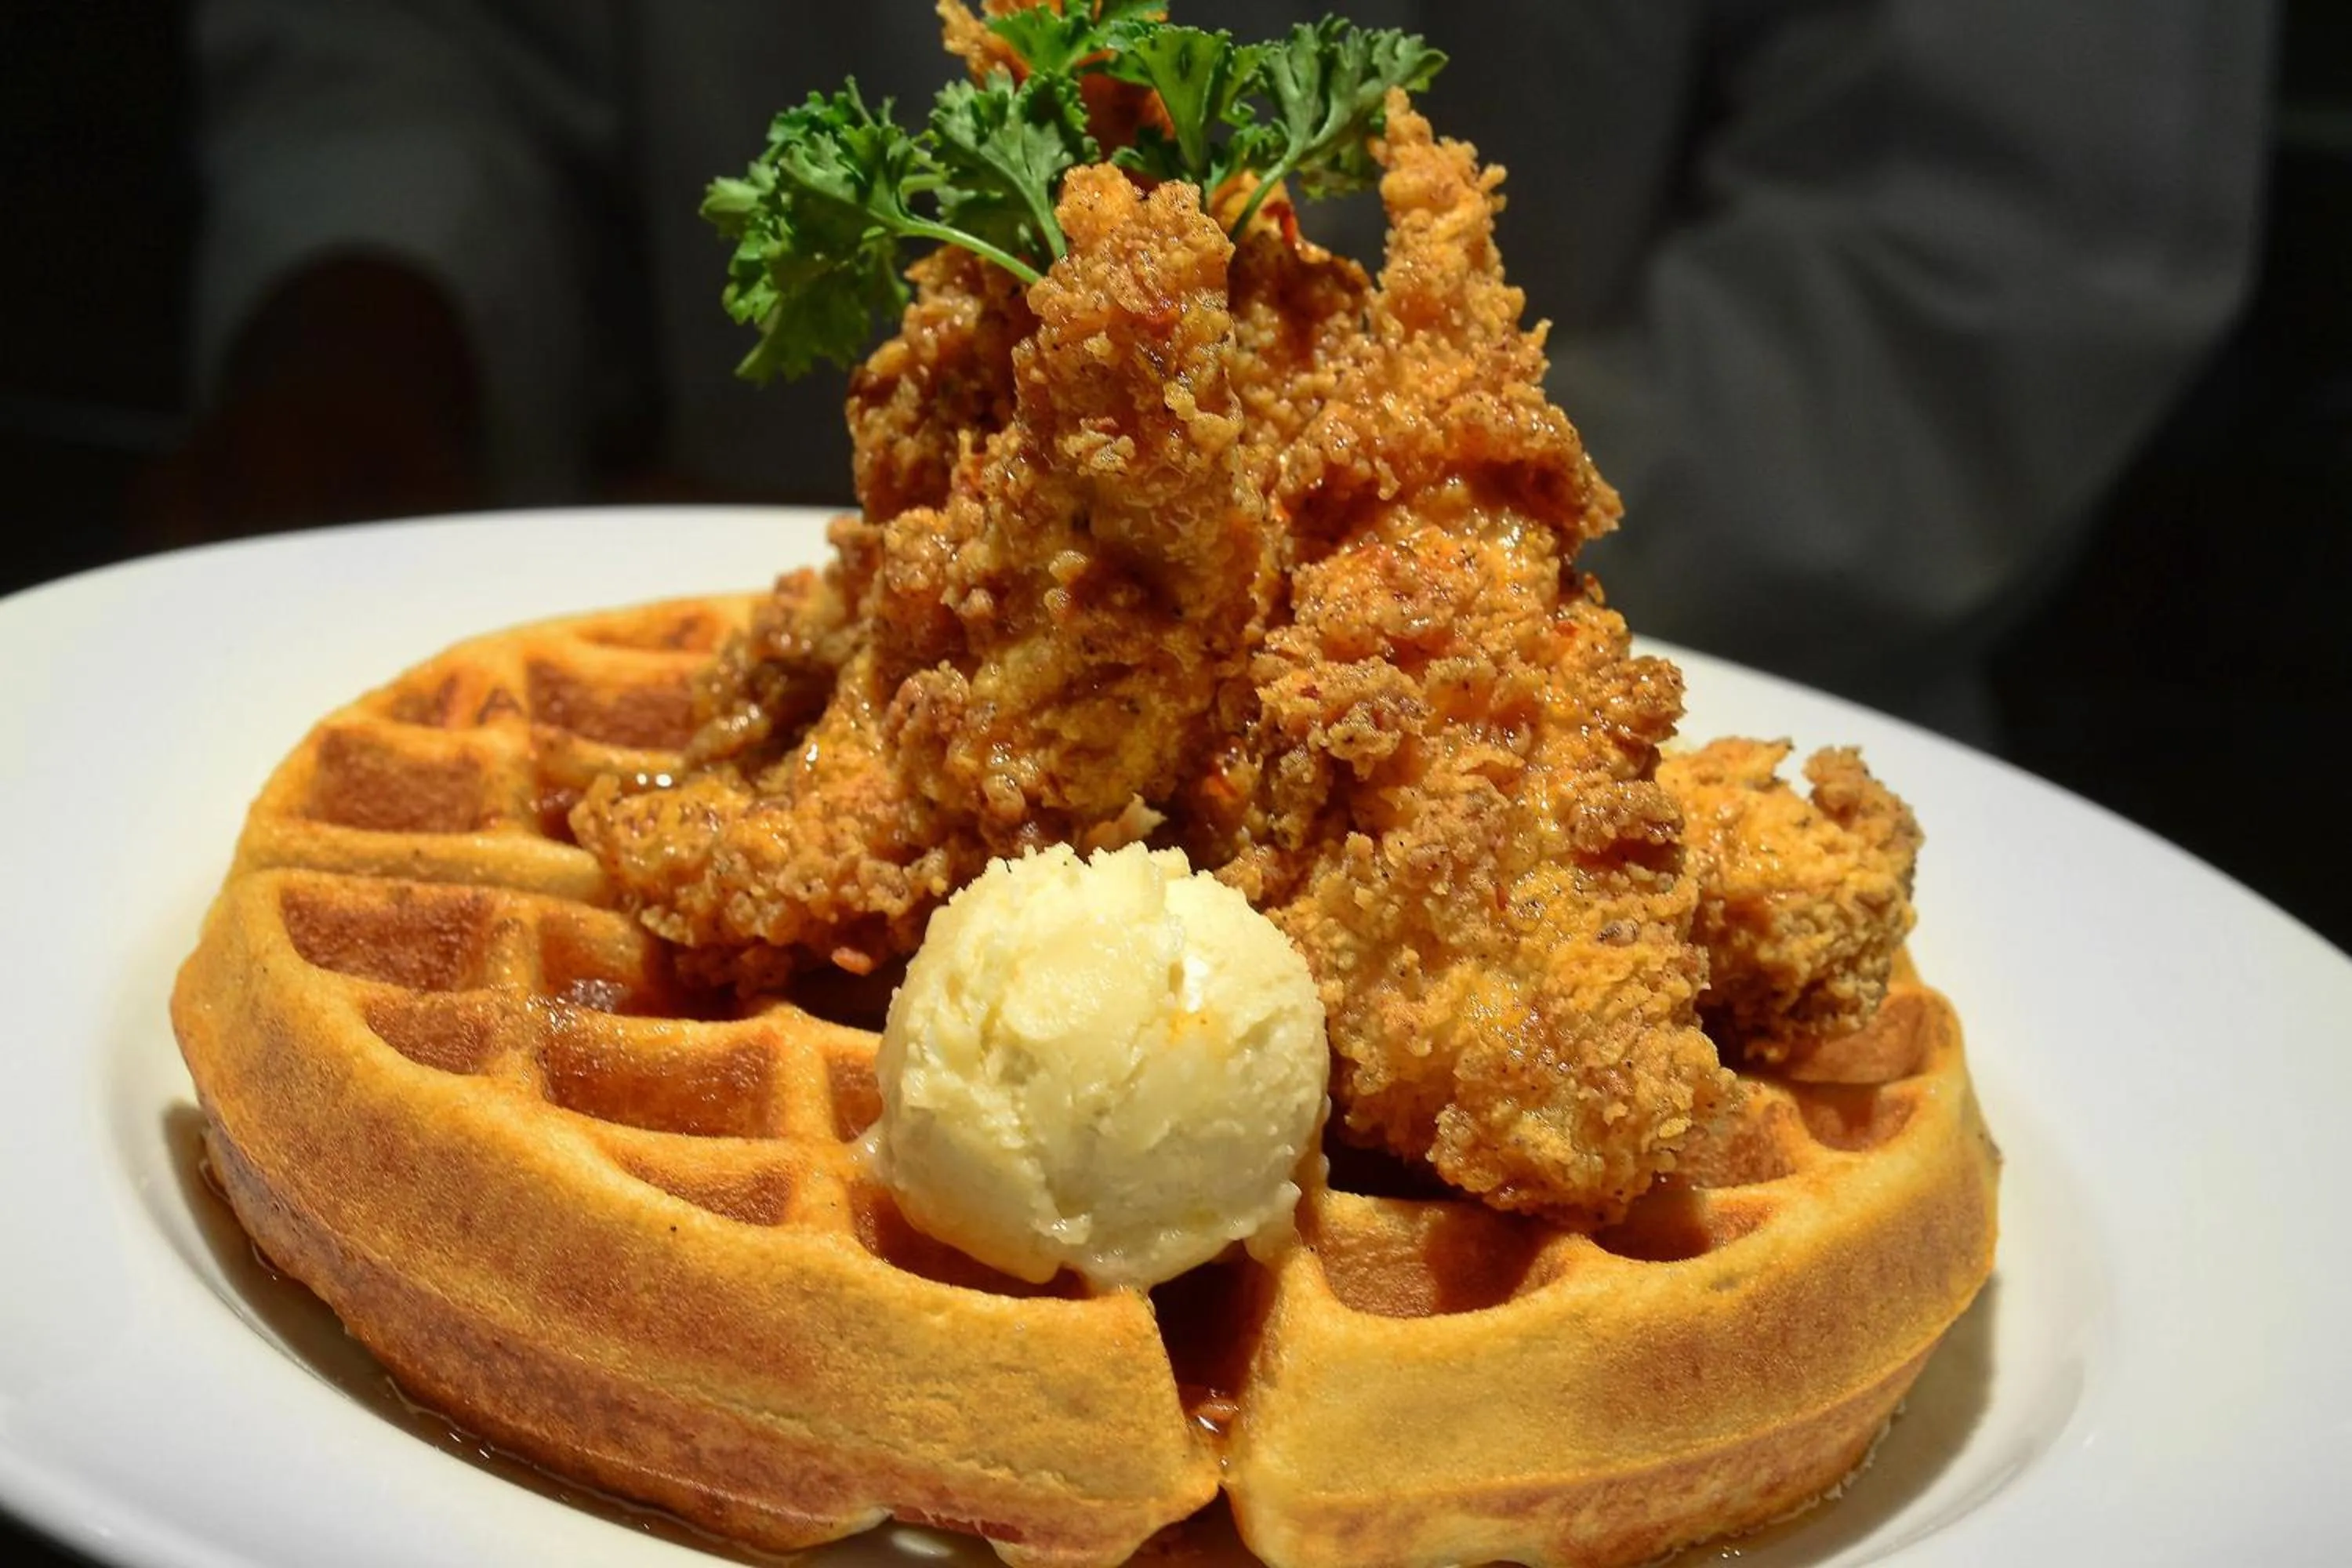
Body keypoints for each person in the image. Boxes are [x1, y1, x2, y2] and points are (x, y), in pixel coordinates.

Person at [158, 0, 2276, 741]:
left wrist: (1361, 561)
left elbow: (1988, 251)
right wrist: (364, 298)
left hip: (1710, 641)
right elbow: (432, 39)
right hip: (811, 611)